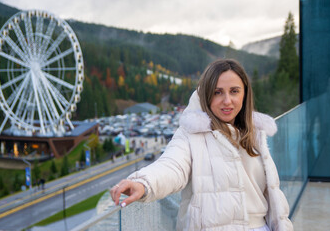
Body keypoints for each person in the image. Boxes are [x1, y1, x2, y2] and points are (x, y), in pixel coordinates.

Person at [110, 59, 293, 231]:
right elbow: (172, 166)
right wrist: (143, 183)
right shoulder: (191, 133)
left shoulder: (256, 133)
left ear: (245, 94)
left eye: (234, 91)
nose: (227, 100)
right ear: (206, 95)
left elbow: (273, 197)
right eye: (217, 92)